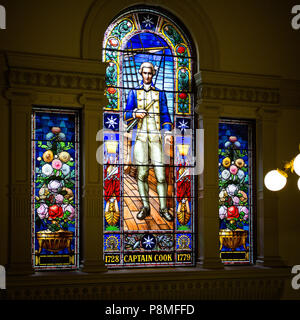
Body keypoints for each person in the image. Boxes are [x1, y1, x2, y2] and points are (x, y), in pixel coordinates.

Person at [124, 61, 173, 221]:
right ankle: (145, 207)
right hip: (140, 139)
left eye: (150, 73)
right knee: (142, 174)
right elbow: (126, 115)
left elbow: (165, 115)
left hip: (156, 139)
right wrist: (135, 113)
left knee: (161, 176)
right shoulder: (133, 92)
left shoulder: (160, 93)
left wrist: (166, 133)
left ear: (153, 74)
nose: (147, 76)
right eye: (145, 73)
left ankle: (164, 208)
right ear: (141, 73)